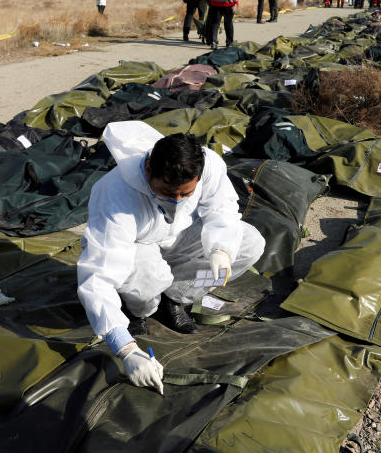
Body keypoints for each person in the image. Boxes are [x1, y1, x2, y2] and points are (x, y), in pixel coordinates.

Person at [76, 122, 266, 393]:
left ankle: (176, 297)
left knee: (249, 243)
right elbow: (98, 277)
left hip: (180, 235)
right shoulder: (116, 195)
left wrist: (221, 249)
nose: (177, 200)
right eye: (167, 192)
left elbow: (221, 209)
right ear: (150, 170)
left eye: (185, 194)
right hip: (138, 245)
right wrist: (125, 348)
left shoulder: (208, 164)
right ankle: (141, 308)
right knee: (147, 285)